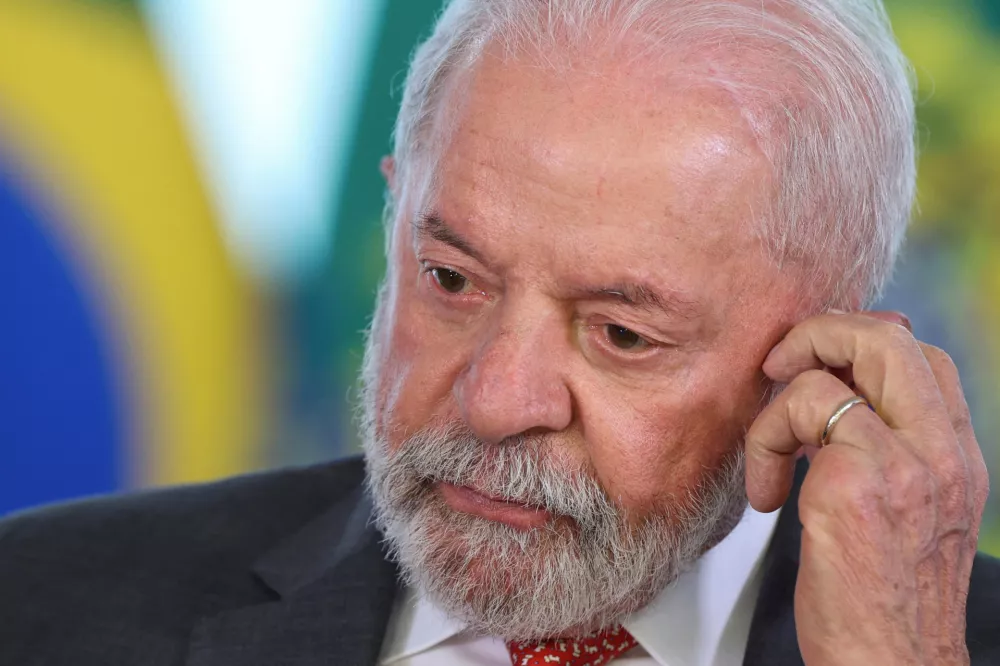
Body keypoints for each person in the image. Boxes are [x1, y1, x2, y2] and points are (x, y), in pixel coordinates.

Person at [2, 0, 998, 664]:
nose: (493, 399)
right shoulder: (41, 606)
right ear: (394, 220)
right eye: (450, 279)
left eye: (618, 334)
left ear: (825, 364)